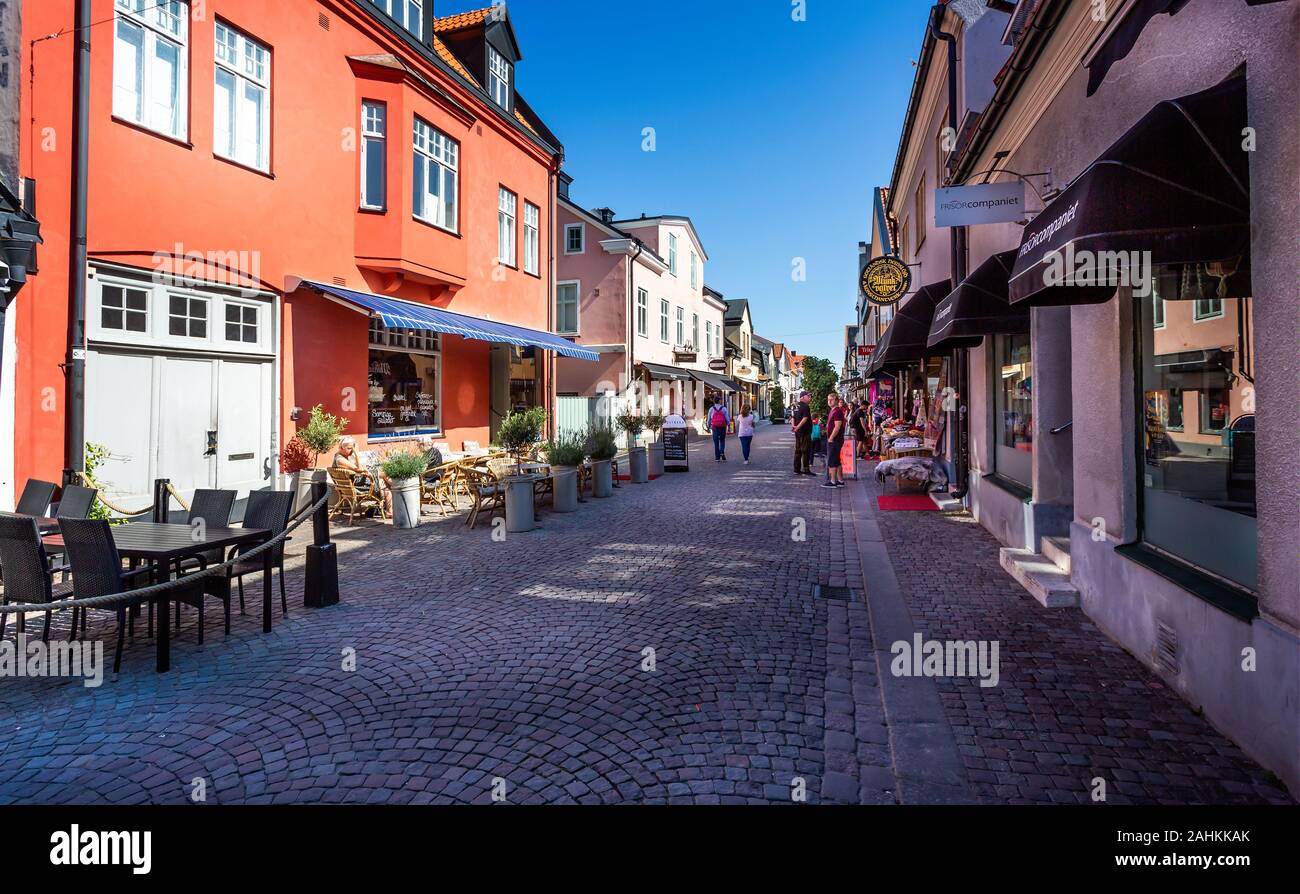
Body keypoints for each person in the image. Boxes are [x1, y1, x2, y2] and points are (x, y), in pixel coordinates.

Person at [333, 435, 391, 517]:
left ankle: (390, 510)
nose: (352, 450)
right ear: (341, 448)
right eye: (349, 448)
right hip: (357, 486)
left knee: (385, 481)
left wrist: (365, 469)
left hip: (355, 483)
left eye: (353, 448)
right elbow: (359, 469)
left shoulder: (342, 456)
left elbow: (359, 469)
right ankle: (400, 489)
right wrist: (356, 453)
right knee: (386, 478)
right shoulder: (340, 460)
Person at [823, 393, 847, 488]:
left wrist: (831, 438)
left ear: (836, 400)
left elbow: (837, 426)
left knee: (832, 460)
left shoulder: (837, 411)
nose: (829, 401)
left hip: (835, 440)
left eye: (831, 400)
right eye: (828, 399)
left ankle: (833, 481)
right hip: (835, 439)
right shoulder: (833, 410)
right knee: (836, 460)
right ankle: (840, 481)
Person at [791, 391, 813, 475]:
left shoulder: (795, 406)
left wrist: (794, 426)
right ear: (803, 397)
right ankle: (806, 469)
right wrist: (798, 427)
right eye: (808, 396)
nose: (809, 398)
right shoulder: (805, 407)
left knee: (798, 450)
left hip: (798, 432)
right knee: (805, 450)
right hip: (805, 431)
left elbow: (792, 417)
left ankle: (796, 469)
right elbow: (805, 419)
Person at [708, 396, 731, 462]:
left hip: (714, 426)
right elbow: (727, 418)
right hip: (722, 426)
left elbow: (709, 418)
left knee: (716, 441)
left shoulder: (711, 409)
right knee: (722, 440)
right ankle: (722, 453)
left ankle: (717, 457)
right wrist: (728, 424)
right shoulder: (724, 408)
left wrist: (708, 425)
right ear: (719, 401)